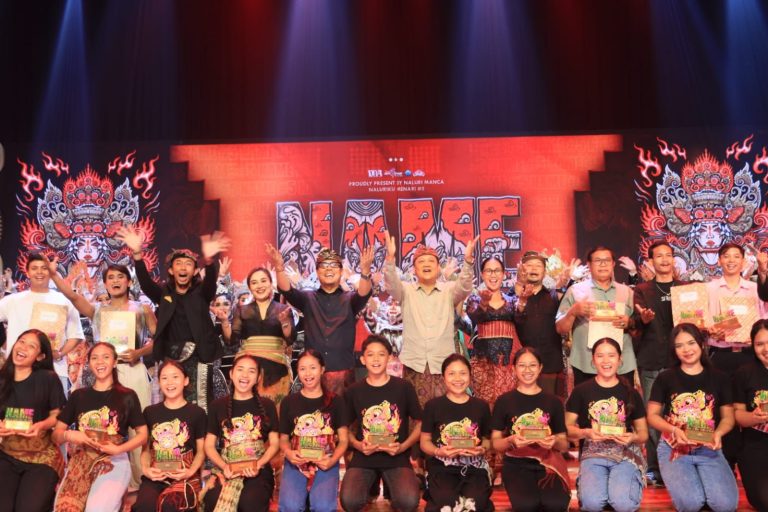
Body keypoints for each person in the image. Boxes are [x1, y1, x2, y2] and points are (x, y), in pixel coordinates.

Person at [49, 259, 157, 489]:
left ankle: (140, 482)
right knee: (105, 424)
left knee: (138, 427)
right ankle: (104, 477)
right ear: (105, 284)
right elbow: (74, 297)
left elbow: (160, 341)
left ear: (129, 282)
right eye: (111, 278)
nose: (116, 281)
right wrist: (54, 275)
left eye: (120, 277)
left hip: (133, 370)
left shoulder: (142, 309)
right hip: (102, 374)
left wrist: (139, 352)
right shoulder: (98, 310)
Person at [117, 226, 231, 410]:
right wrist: (137, 254)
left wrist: (209, 261)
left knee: (201, 404)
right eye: (178, 264)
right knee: (171, 403)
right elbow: (146, 283)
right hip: (171, 357)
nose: (183, 268)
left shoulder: (202, 293)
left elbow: (210, 282)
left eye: (188, 264)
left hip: (199, 356)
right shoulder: (164, 294)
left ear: (195, 271)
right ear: (171, 270)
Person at [645, 323, 738, 512]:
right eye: (679, 346)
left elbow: (728, 418)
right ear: (674, 350)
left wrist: (718, 433)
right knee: (691, 504)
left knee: (725, 505)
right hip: (674, 448)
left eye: (691, 343)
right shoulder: (665, 378)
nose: (686, 350)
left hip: (708, 447)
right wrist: (673, 429)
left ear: (701, 344)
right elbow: (652, 416)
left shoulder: (719, 378)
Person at [382, 231, 477, 406]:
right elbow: (390, 284)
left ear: (438, 267)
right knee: (416, 412)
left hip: (443, 363)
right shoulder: (405, 290)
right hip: (414, 364)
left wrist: (468, 262)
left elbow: (464, 287)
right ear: (414, 269)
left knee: (444, 412)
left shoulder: (449, 290)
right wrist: (390, 258)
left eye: (431, 261)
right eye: (421, 262)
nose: (426, 264)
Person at [52, 342, 148, 512]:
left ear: (115, 362)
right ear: (89, 363)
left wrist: (119, 449)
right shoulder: (79, 396)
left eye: (106, 357)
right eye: (94, 358)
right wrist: (69, 435)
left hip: (114, 461)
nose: (100, 362)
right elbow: (56, 435)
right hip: (80, 463)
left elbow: (143, 435)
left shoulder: (127, 396)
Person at [267, 244, 373, 395]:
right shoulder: (308, 298)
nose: (329, 269)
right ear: (317, 272)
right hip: (313, 374)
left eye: (333, 265)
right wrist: (279, 268)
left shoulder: (349, 299)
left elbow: (363, 294)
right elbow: (286, 290)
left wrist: (365, 272)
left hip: (342, 373)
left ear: (341, 271)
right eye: (323, 265)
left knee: (343, 410)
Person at [340, 335, 422, 512]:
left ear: (390, 357)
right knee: (350, 502)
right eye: (370, 355)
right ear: (363, 359)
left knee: (408, 502)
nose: (376, 359)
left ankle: (394, 487)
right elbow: (343, 427)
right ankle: (372, 487)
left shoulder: (404, 387)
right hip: (364, 457)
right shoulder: (354, 391)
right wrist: (358, 445)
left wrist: (403, 447)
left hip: (396, 457)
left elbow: (421, 423)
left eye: (381, 354)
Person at [565, 338, 648, 512]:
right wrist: (586, 433)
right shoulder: (581, 391)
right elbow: (568, 429)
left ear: (620, 359)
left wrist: (632, 437)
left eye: (611, 355)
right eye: (600, 356)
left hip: (625, 454)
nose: (606, 361)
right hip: (593, 453)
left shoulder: (631, 393)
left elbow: (643, 434)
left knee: (623, 505)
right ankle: (598, 488)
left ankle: (620, 489)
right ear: (593, 360)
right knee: (592, 504)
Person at [490, 347, 571, 512]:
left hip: (547, 464)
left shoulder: (553, 401)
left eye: (532, 365)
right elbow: (495, 443)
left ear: (540, 368)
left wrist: (555, 442)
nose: (527, 370)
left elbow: (564, 444)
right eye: (522, 365)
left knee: (556, 505)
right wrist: (510, 441)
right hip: (516, 465)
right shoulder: (504, 401)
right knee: (527, 506)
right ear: (514, 369)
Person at [631, 240, 684, 486]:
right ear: (651, 262)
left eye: (668, 255)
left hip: (680, 361)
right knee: (654, 417)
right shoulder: (642, 290)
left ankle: (681, 461)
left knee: (681, 412)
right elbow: (634, 323)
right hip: (651, 360)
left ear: (674, 259)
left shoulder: (685, 289)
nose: (664, 259)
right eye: (659, 256)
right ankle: (655, 467)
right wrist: (642, 318)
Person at [202, 353, 280, 512]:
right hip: (227, 468)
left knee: (249, 502)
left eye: (251, 371)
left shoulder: (267, 405)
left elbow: (275, 443)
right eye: (240, 369)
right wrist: (224, 466)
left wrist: (258, 464)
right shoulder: (217, 405)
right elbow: (209, 445)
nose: (245, 375)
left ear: (258, 378)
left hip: (258, 469)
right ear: (231, 373)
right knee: (213, 499)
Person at [0, 329, 66, 512]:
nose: (23, 347)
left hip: (41, 457)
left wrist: (42, 425)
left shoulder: (48, 378)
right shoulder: (2, 377)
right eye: (21, 341)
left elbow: (57, 415)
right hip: (7, 453)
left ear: (40, 356)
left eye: (31, 346)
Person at [0, 252, 84, 395]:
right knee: (15, 410)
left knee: (54, 409)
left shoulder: (64, 301)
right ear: (27, 272)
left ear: (50, 271)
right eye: (34, 268)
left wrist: (59, 353)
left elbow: (76, 335)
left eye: (44, 268)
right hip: (17, 371)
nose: (39, 272)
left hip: (54, 370)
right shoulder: (12, 301)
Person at [278, 349, 348, 512]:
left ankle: (313, 497)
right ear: (297, 371)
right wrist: (289, 453)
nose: (308, 373)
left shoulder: (336, 401)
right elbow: (283, 439)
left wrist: (332, 461)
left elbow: (344, 440)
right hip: (297, 461)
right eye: (302, 369)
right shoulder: (289, 402)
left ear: (322, 369)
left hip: (325, 461)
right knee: (290, 506)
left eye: (313, 368)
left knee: (323, 507)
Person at [420, 354, 492, 512]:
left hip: (474, 466)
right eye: (452, 373)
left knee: (474, 505)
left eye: (463, 373)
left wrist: (482, 449)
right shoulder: (433, 406)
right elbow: (424, 441)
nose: (458, 378)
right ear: (443, 378)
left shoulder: (481, 406)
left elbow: (487, 439)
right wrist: (438, 451)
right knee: (446, 504)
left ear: (470, 376)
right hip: (442, 467)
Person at [132, 361, 207, 512]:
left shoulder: (197, 413)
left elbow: (201, 451)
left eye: (175, 377)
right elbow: (146, 450)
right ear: (159, 382)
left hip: (185, 474)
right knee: (144, 506)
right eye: (164, 378)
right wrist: (146, 470)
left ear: (186, 380)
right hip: (156, 475)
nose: (170, 382)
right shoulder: (150, 412)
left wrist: (190, 472)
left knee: (171, 505)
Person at [556, 247, 637, 386]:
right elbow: (560, 328)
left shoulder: (627, 292)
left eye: (607, 260)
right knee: (587, 399)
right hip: (586, 362)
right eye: (598, 260)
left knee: (623, 399)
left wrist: (629, 322)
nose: (603, 264)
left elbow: (639, 325)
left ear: (613, 264)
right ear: (589, 264)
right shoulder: (575, 291)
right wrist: (573, 311)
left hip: (622, 363)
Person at [227, 267, 295, 405]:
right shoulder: (241, 310)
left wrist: (285, 323)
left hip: (276, 368)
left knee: (274, 409)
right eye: (254, 282)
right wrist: (224, 322)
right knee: (247, 408)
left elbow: (290, 339)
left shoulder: (283, 309)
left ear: (271, 283)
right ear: (250, 287)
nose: (259, 285)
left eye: (263, 281)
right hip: (248, 368)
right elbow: (232, 340)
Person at [465, 256, 520, 405]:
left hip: (507, 362)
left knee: (507, 403)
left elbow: (522, 321)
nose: (493, 275)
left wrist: (523, 300)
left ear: (503, 274)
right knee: (484, 404)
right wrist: (484, 303)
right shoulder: (474, 300)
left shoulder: (512, 301)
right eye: (489, 271)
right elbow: (476, 317)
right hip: (483, 362)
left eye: (497, 271)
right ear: (482, 274)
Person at [512, 251, 566, 396]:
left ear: (545, 272)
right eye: (529, 265)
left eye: (538, 265)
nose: (534, 268)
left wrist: (569, 282)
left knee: (550, 404)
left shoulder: (555, 296)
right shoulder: (513, 297)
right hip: (522, 365)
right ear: (521, 270)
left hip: (550, 363)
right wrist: (521, 297)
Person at [734, 319, 768, 511]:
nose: (766, 349)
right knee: (764, 500)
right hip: (755, 445)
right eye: (760, 344)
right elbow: (738, 415)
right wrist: (754, 417)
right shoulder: (744, 373)